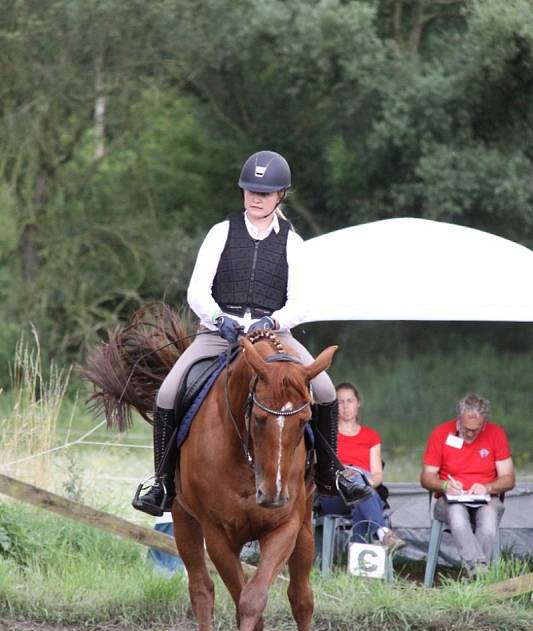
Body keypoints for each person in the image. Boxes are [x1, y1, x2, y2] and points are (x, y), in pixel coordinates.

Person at [133, 150, 365, 515]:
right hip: (217, 334)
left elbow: (301, 302)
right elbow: (197, 290)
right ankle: (160, 483)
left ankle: (331, 472)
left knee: (323, 389)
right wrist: (217, 316)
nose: (257, 198)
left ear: (281, 195)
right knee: (167, 392)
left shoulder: (292, 242)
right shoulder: (221, 232)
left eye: (266, 193)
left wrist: (272, 322)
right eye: (250, 191)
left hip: (273, 336)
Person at [420, 392, 515, 576]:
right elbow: (426, 478)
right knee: (458, 518)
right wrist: (446, 486)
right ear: (458, 419)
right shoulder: (441, 433)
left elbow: (509, 478)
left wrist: (487, 487)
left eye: (476, 430)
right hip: (450, 499)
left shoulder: (496, 434)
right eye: (465, 429)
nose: (470, 433)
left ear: (484, 423)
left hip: (487, 497)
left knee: (488, 524)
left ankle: (472, 573)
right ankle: (477, 572)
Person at [318, 382, 405, 552]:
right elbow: (323, 471)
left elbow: (377, 475)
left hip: (365, 490)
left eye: (349, 401)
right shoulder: (327, 434)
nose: (345, 407)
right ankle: (383, 532)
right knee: (352, 475)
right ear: (334, 406)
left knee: (361, 497)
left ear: (358, 403)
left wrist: (364, 486)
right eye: (340, 402)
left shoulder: (370, 436)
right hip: (334, 495)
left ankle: (359, 571)